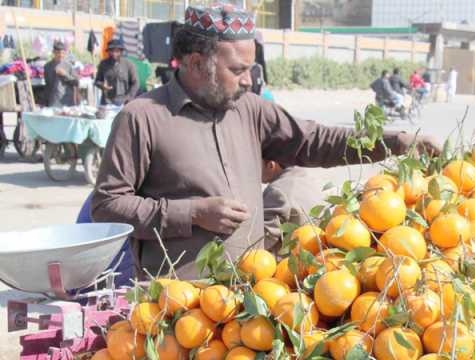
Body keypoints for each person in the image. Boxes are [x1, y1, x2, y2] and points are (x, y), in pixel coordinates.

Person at [91, 4, 440, 277]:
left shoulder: (251, 109)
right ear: (197, 64)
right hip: (176, 311)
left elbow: (316, 140)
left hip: (249, 303)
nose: (248, 81)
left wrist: (397, 143)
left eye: (251, 69)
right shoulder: (142, 118)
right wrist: (193, 213)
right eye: (238, 71)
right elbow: (107, 206)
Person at [261, 160, 328, 250]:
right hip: (321, 254)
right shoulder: (310, 180)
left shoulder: (277, 190)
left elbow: (263, 239)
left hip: (294, 260)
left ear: (271, 165)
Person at [95, 39, 139, 105]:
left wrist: (129, 97)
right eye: (111, 51)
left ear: (121, 52)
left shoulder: (129, 64)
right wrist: (102, 85)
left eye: (116, 51)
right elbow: (97, 81)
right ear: (108, 52)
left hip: (124, 101)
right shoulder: (103, 64)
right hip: (107, 101)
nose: (114, 53)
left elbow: (135, 83)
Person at [43, 41, 79, 107]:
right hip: (53, 101)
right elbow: (47, 85)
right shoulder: (47, 66)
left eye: (63, 53)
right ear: (53, 52)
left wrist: (65, 74)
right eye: (58, 53)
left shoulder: (69, 66)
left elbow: (76, 82)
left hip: (66, 101)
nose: (61, 55)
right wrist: (45, 101)